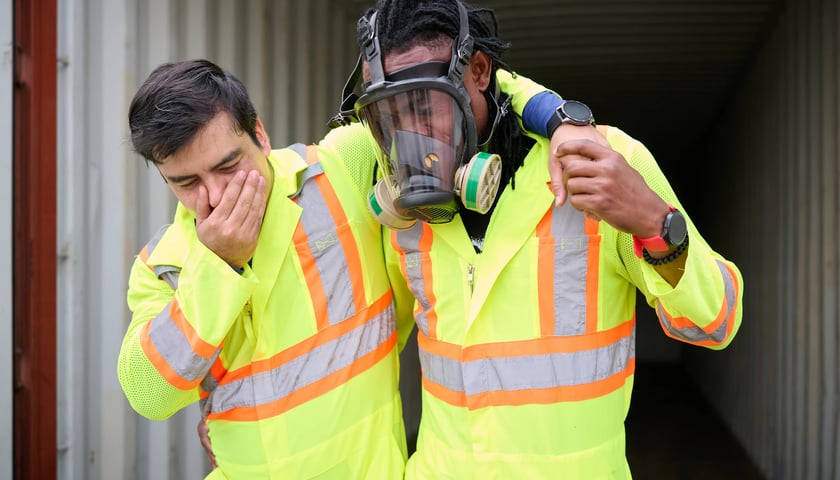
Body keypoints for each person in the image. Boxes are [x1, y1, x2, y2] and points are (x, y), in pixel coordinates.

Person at [119, 59, 590, 478]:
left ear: (259, 134)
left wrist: (557, 116)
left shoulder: (339, 167)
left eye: (228, 166)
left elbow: (446, 83)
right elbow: (148, 394)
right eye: (186, 183)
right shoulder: (165, 264)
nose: (217, 196)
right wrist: (219, 265)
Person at [342, 0, 745, 478]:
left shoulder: (602, 162)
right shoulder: (402, 204)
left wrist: (655, 224)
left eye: (424, 106)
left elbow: (714, 322)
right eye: (389, 116)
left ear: (478, 70)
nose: (410, 137)